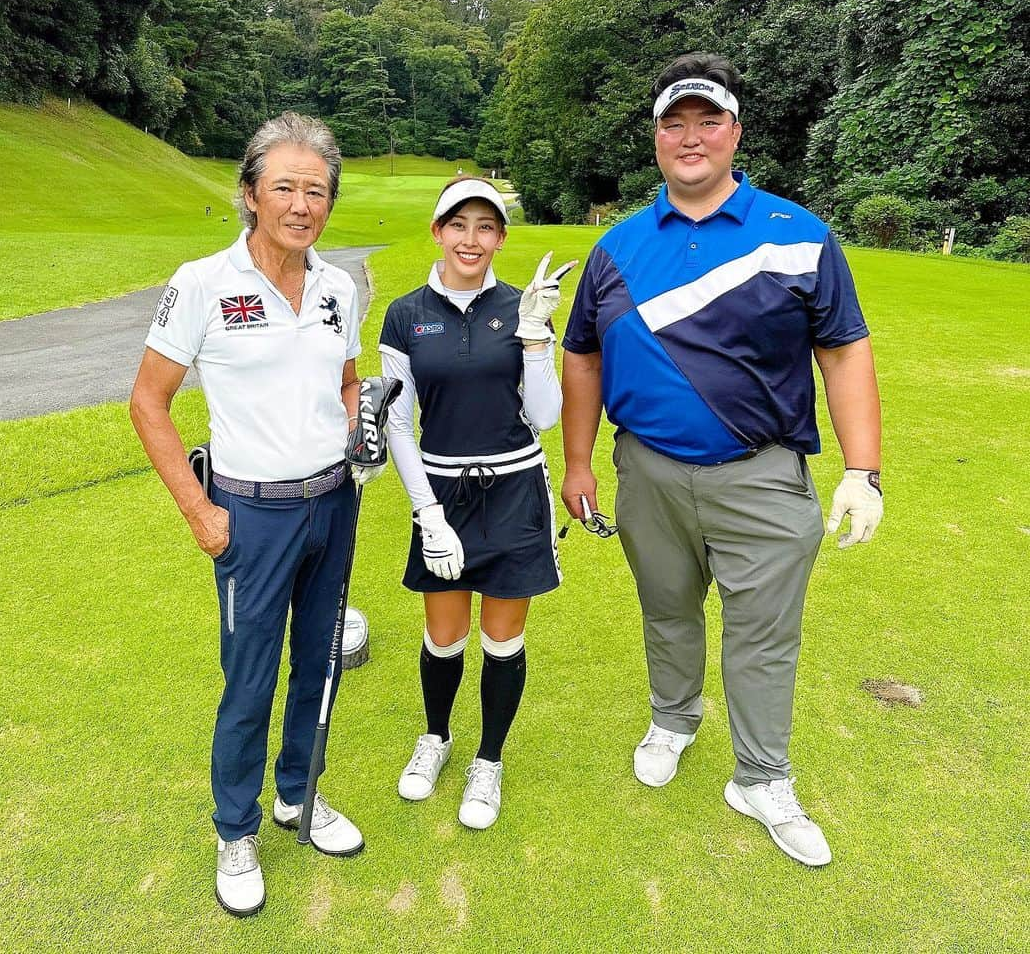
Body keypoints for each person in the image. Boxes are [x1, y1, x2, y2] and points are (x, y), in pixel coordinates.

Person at [560, 53, 883, 868]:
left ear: (736, 133)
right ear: (657, 138)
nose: (691, 137)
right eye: (676, 122)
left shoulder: (799, 234)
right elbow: (583, 359)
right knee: (667, 610)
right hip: (648, 473)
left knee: (763, 634)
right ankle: (673, 718)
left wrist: (862, 468)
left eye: (709, 121)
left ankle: (762, 775)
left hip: (764, 476)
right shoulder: (617, 247)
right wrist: (579, 465)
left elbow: (844, 350)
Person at [130, 112, 381, 917]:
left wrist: (357, 424)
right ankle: (235, 831)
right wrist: (200, 512)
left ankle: (296, 798)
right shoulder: (203, 282)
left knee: (320, 664)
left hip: (332, 504)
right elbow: (148, 402)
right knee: (249, 680)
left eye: (316, 190)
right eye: (285, 187)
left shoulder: (341, 286)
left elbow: (346, 380)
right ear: (250, 194)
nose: (302, 204)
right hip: (250, 513)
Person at [378, 177, 575, 830]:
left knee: (501, 639)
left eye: (485, 226)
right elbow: (399, 424)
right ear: (437, 232)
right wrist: (427, 515)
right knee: (443, 637)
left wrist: (535, 337)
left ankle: (488, 761)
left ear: (500, 238)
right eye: (458, 224)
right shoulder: (406, 315)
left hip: (516, 490)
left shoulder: (522, 307)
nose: (471, 238)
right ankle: (436, 738)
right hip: (443, 492)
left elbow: (544, 415)